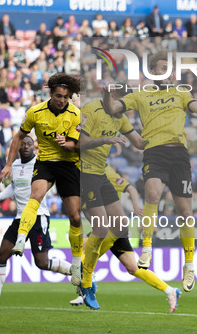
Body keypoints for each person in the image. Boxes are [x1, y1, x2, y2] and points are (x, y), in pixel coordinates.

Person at [102, 52, 197, 293]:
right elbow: (113, 107)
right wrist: (107, 94)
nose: (166, 73)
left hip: (179, 154)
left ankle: (189, 265)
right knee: (153, 195)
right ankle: (146, 247)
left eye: (168, 69)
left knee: (185, 212)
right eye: (160, 69)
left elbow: (196, 106)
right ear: (153, 73)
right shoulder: (140, 94)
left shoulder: (180, 92)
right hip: (154, 152)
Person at [76, 90, 182, 311]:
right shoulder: (91, 109)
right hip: (84, 174)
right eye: (121, 103)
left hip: (99, 176)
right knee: (100, 232)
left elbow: (140, 143)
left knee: (122, 238)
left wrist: (161, 135)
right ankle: (85, 282)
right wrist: (106, 139)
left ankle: (84, 276)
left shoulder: (120, 119)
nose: (124, 109)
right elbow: (80, 142)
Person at [0, 136, 74, 312]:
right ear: (18, 147)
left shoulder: (41, 164)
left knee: (41, 263)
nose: (26, 146)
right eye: (23, 144)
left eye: (29, 144)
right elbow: (13, 187)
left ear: (34, 147)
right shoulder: (15, 165)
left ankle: (79, 271)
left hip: (38, 217)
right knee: (0, 256)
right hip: (20, 219)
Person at [1, 73, 82, 286]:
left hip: (68, 164)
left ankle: (76, 264)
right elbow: (19, 136)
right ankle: (20, 239)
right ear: (51, 94)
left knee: (75, 217)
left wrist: (69, 144)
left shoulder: (75, 113)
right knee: (35, 196)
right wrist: (9, 164)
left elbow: (81, 145)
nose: (62, 100)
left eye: (66, 96)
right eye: (58, 96)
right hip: (45, 162)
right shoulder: (35, 112)